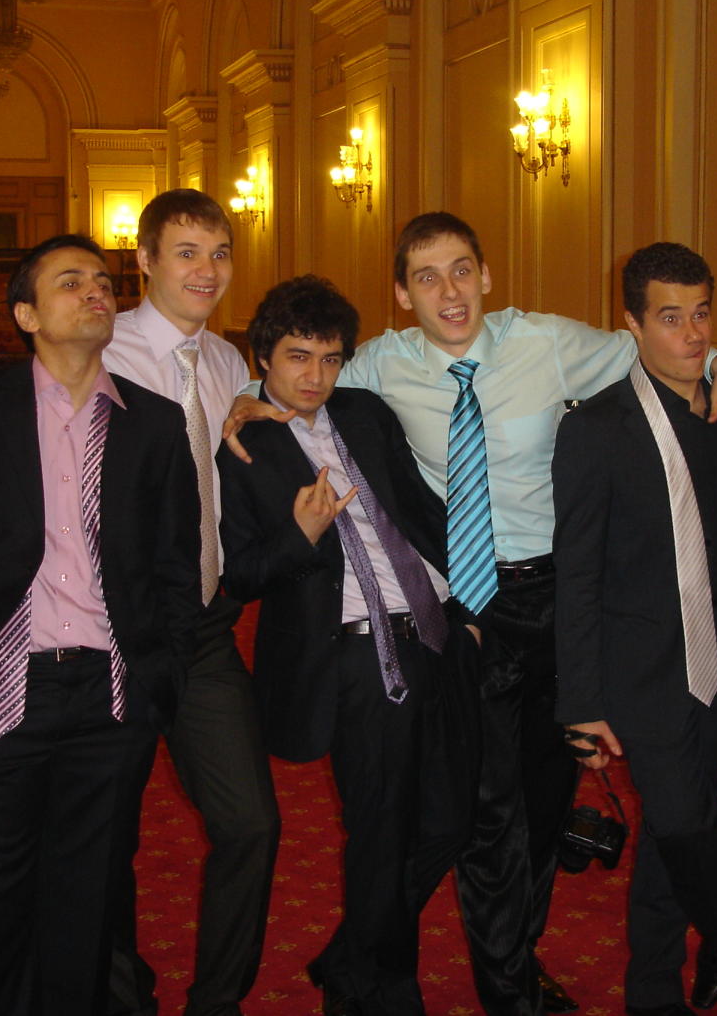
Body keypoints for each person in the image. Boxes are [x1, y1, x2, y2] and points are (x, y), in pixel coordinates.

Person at [226, 211, 717, 1016]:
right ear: (402, 294)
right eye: (427, 277)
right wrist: (246, 400)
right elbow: (297, 376)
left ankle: (508, 955)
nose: (448, 291)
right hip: (467, 607)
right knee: (486, 813)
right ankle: (506, 989)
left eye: (461, 270)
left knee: (546, 802)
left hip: (558, 600)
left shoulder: (546, 341)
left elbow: (660, 342)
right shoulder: (381, 362)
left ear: (485, 275)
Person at [0, 190, 280, 1016]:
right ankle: (121, 995)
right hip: (94, 634)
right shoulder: (93, 343)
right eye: (186, 252)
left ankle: (216, 1001)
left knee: (250, 823)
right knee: (99, 845)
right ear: (145, 261)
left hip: (194, 629)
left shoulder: (226, 362)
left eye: (219, 253)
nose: (206, 270)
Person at [0, 235, 204, 1015]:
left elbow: (176, 568)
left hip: (110, 701)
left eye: (102, 280)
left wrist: (159, 684)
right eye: (70, 282)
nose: (96, 291)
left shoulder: (153, 424)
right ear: (26, 315)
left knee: (85, 914)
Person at [218, 274, 480, 1016]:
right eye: (298, 357)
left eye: (330, 359)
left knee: (452, 821)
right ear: (263, 357)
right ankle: (381, 990)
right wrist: (300, 534)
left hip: (435, 632)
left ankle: (350, 956)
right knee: (382, 827)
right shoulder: (243, 447)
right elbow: (239, 576)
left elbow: (422, 509)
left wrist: (470, 605)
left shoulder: (364, 413)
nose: (314, 377)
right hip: (358, 654)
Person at [553, 243, 717, 1015]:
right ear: (632, 325)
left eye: (701, 314)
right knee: (679, 816)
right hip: (641, 670)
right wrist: (579, 701)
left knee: (675, 832)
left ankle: (652, 988)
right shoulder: (595, 427)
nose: (693, 334)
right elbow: (576, 572)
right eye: (670, 318)